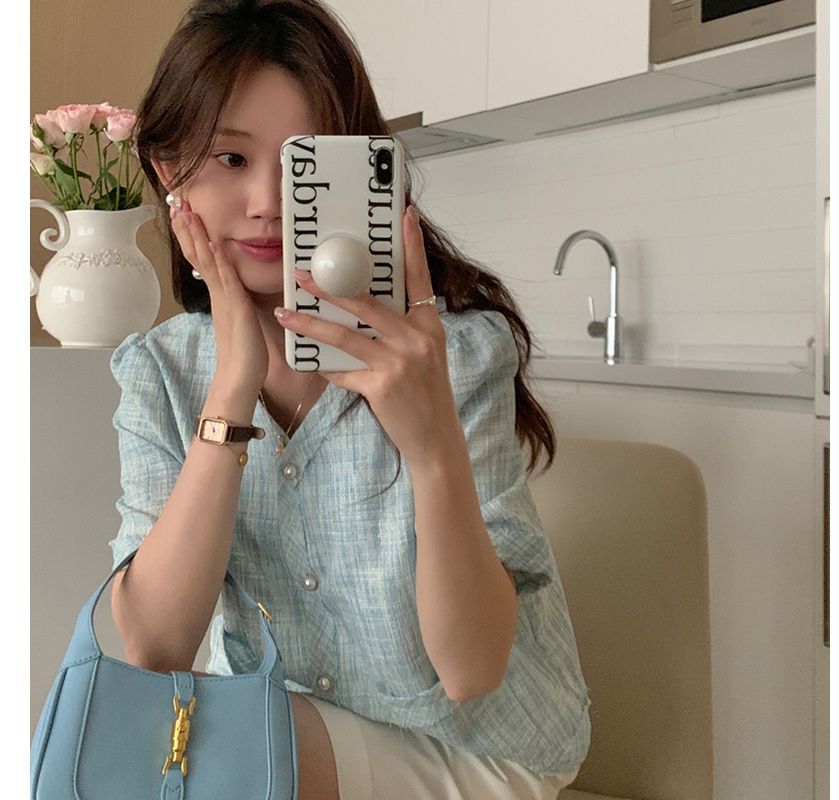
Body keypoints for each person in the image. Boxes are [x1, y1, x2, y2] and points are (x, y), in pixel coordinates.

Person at [108, 1, 591, 798]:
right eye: (231, 158)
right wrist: (233, 383)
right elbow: (154, 646)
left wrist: (431, 448)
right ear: (167, 170)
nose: (268, 199)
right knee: (175, 745)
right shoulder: (159, 371)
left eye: (306, 163)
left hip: (475, 741)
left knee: (227, 758)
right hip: (295, 724)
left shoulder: (453, 355)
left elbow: (471, 670)